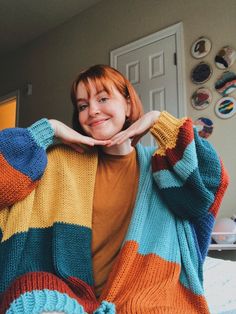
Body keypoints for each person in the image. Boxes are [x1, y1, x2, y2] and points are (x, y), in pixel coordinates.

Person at [0, 64, 229, 314]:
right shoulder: (59, 161)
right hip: (60, 286)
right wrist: (49, 129)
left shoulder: (162, 167)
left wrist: (157, 120)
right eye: (83, 106)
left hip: (143, 290)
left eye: (103, 98)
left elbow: (209, 184)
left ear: (128, 105)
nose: (93, 111)